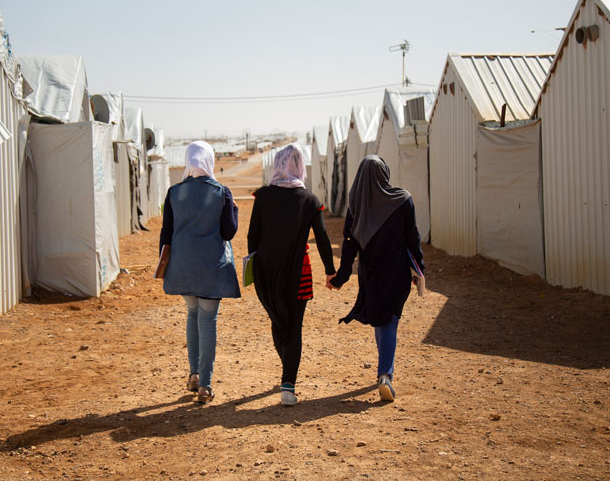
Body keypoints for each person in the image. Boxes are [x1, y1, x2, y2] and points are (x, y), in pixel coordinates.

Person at [328, 155, 424, 403]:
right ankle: (385, 375)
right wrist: (419, 270)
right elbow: (413, 238)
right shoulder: (403, 200)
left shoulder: (355, 205)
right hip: (397, 272)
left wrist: (341, 278)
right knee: (389, 319)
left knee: (381, 320)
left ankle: (384, 372)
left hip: (370, 274)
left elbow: (348, 247)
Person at [247, 143, 335, 406]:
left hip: (267, 271)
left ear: (277, 164)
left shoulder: (262, 196)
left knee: (278, 320)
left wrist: (255, 268)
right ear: (300, 166)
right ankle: (288, 385)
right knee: (294, 326)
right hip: (300, 272)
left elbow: (253, 237)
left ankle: (287, 370)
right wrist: (331, 272)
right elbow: (321, 238)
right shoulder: (310, 200)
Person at [159, 141, 240, 404]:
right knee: (207, 321)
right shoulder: (221, 192)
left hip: (182, 268)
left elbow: (166, 234)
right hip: (210, 268)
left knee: (192, 314)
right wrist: (234, 209)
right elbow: (228, 232)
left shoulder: (173, 192)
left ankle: (194, 374)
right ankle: (205, 384)